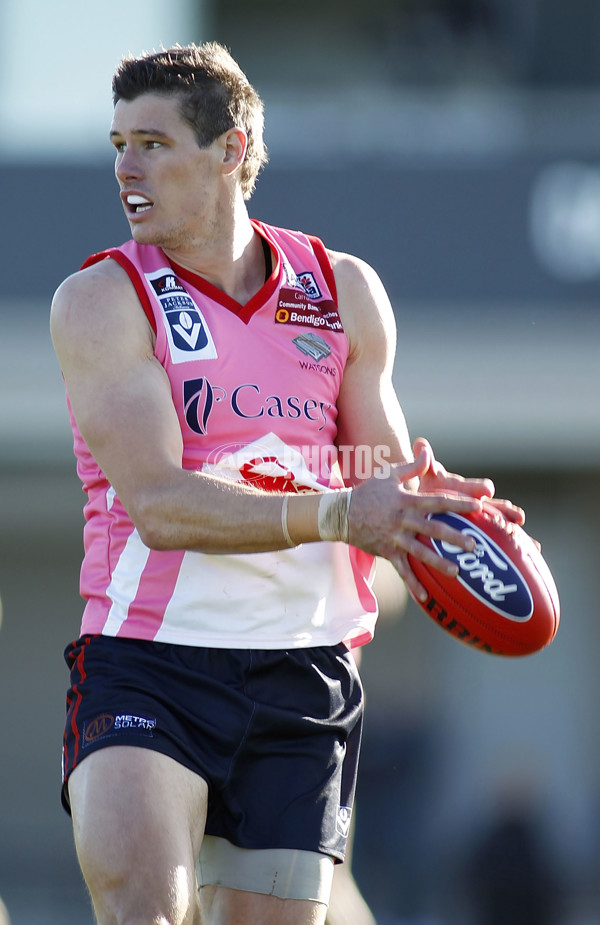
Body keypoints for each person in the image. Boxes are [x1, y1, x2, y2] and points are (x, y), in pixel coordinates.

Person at [50, 42, 525, 925]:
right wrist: (348, 508)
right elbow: (156, 502)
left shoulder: (342, 288)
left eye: (152, 142)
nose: (125, 167)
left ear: (229, 151)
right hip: (149, 661)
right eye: (118, 143)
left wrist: (429, 512)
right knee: (143, 913)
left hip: (304, 676)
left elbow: (376, 472)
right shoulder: (104, 297)